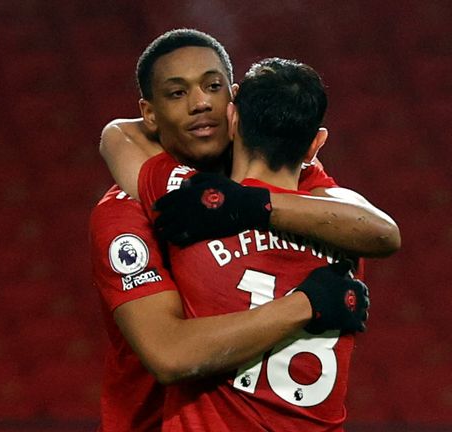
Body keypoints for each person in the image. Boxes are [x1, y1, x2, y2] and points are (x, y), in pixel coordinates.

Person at [91, 29, 395, 431]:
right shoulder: (125, 212)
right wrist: (307, 304)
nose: (201, 103)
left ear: (232, 103)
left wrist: (247, 206)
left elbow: (381, 230)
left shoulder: (297, 183)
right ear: (149, 113)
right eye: (177, 93)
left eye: (212, 86)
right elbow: (168, 353)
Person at [139, 57, 365, 430]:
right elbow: (380, 229)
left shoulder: (183, 203)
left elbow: (119, 138)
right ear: (316, 145)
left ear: (232, 119)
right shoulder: (348, 238)